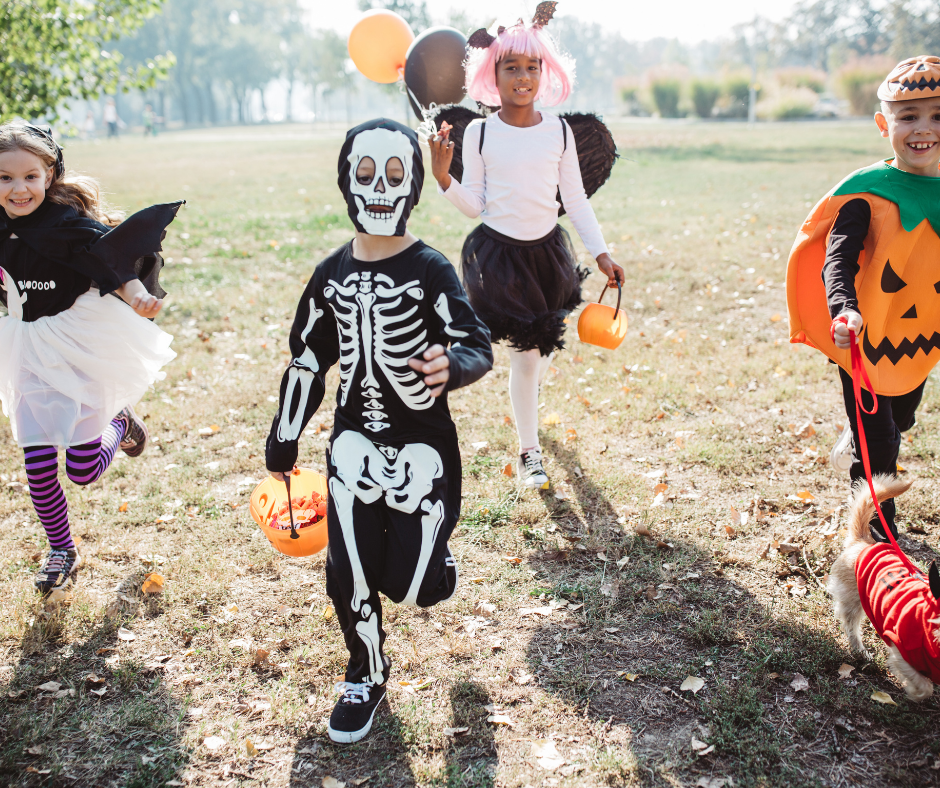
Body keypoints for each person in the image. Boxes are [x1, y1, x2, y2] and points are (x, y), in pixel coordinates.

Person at [264, 118, 493, 744]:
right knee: (349, 566)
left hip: (422, 445)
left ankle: (432, 566)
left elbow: (475, 340)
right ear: (346, 182)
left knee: (412, 587)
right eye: (365, 174)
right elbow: (309, 359)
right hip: (354, 439)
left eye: (395, 175)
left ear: (413, 185)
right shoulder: (329, 274)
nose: (380, 187)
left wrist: (455, 365)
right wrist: (283, 439)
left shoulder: (429, 269)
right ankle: (365, 669)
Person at [428, 5, 624, 490]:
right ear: (492, 75)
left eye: (531, 67)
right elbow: (473, 204)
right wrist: (441, 176)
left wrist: (600, 253)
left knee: (541, 352)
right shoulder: (479, 133)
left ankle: (528, 411)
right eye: (511, 67)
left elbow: (573, 200)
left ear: (545, 71)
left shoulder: (557, 131)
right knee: (526, 358)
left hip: (546, 256)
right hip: (499, 259)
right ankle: (529, 453)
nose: (522, 77)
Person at [0, 123, 183, 593]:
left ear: (50, 174)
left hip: (77, 340)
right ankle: (61, 548)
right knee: (37, 461)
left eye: (30, 177)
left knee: (82, 470)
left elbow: (115, 261)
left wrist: (139, 294)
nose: (18, 189)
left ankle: (119, 422)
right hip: (26, 343)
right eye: (4, 178)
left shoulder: (66, 225)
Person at [787, 55, 940, 542]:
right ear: (883, 124)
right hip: (865, 337)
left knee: (901, 417)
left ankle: (860, 439)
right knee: (879, 449)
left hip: (917, 338)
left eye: (938, 116)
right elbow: (837, 259)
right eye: (908, 116)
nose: (923, 129)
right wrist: (844, 308)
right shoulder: (866, 194)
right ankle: (879, 539)